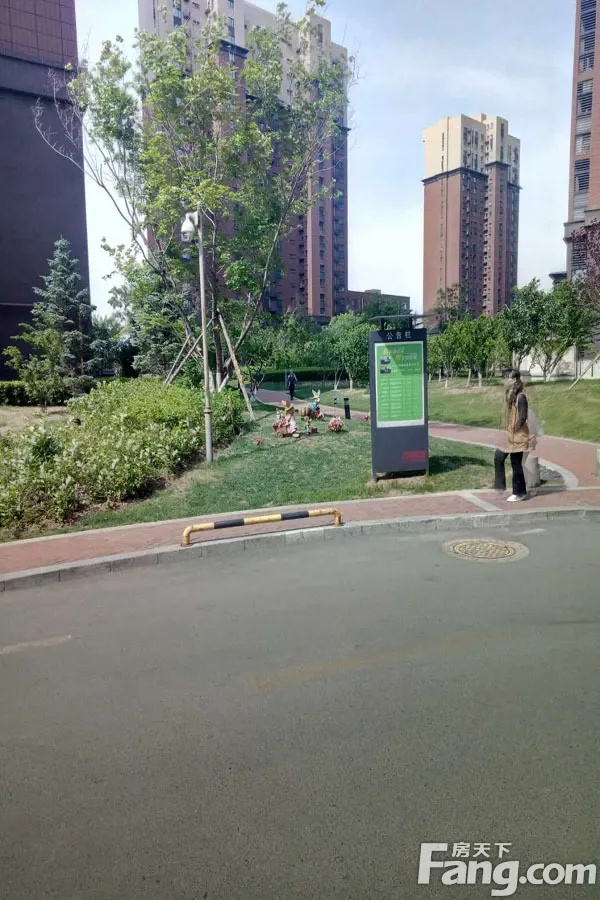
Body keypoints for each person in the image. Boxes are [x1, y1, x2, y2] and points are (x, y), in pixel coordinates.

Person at [494, 369, 530, 502]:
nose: (505, 380)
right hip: (510, 435)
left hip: (518, 435)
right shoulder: (511, 395)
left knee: (516, 463)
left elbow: (523, 417)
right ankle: (501, 486)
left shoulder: (521, 397)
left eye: (507, 378)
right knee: (499, 457)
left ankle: (518, 493)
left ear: (514, 379)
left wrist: (515, 428)